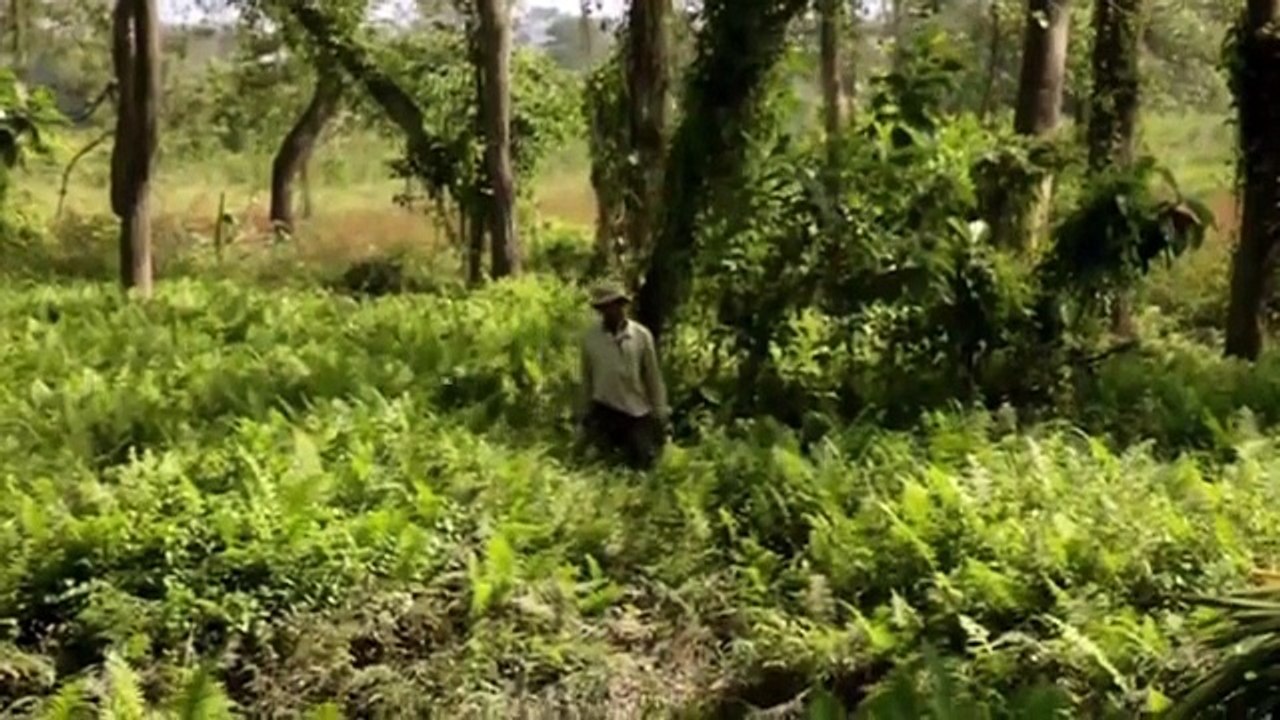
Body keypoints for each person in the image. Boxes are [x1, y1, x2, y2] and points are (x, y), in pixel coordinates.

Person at [578, 282, 669, 469]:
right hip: (605, 409)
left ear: (621, 304)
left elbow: (652, 376)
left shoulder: (641, 336)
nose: (609, 310)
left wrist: (660, 412)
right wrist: (584, 413)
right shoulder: (591, 339)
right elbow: (587, 378)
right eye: (603, 307)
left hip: (636, 409)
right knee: (603, 465)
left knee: (644, 462)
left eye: (613, 305)